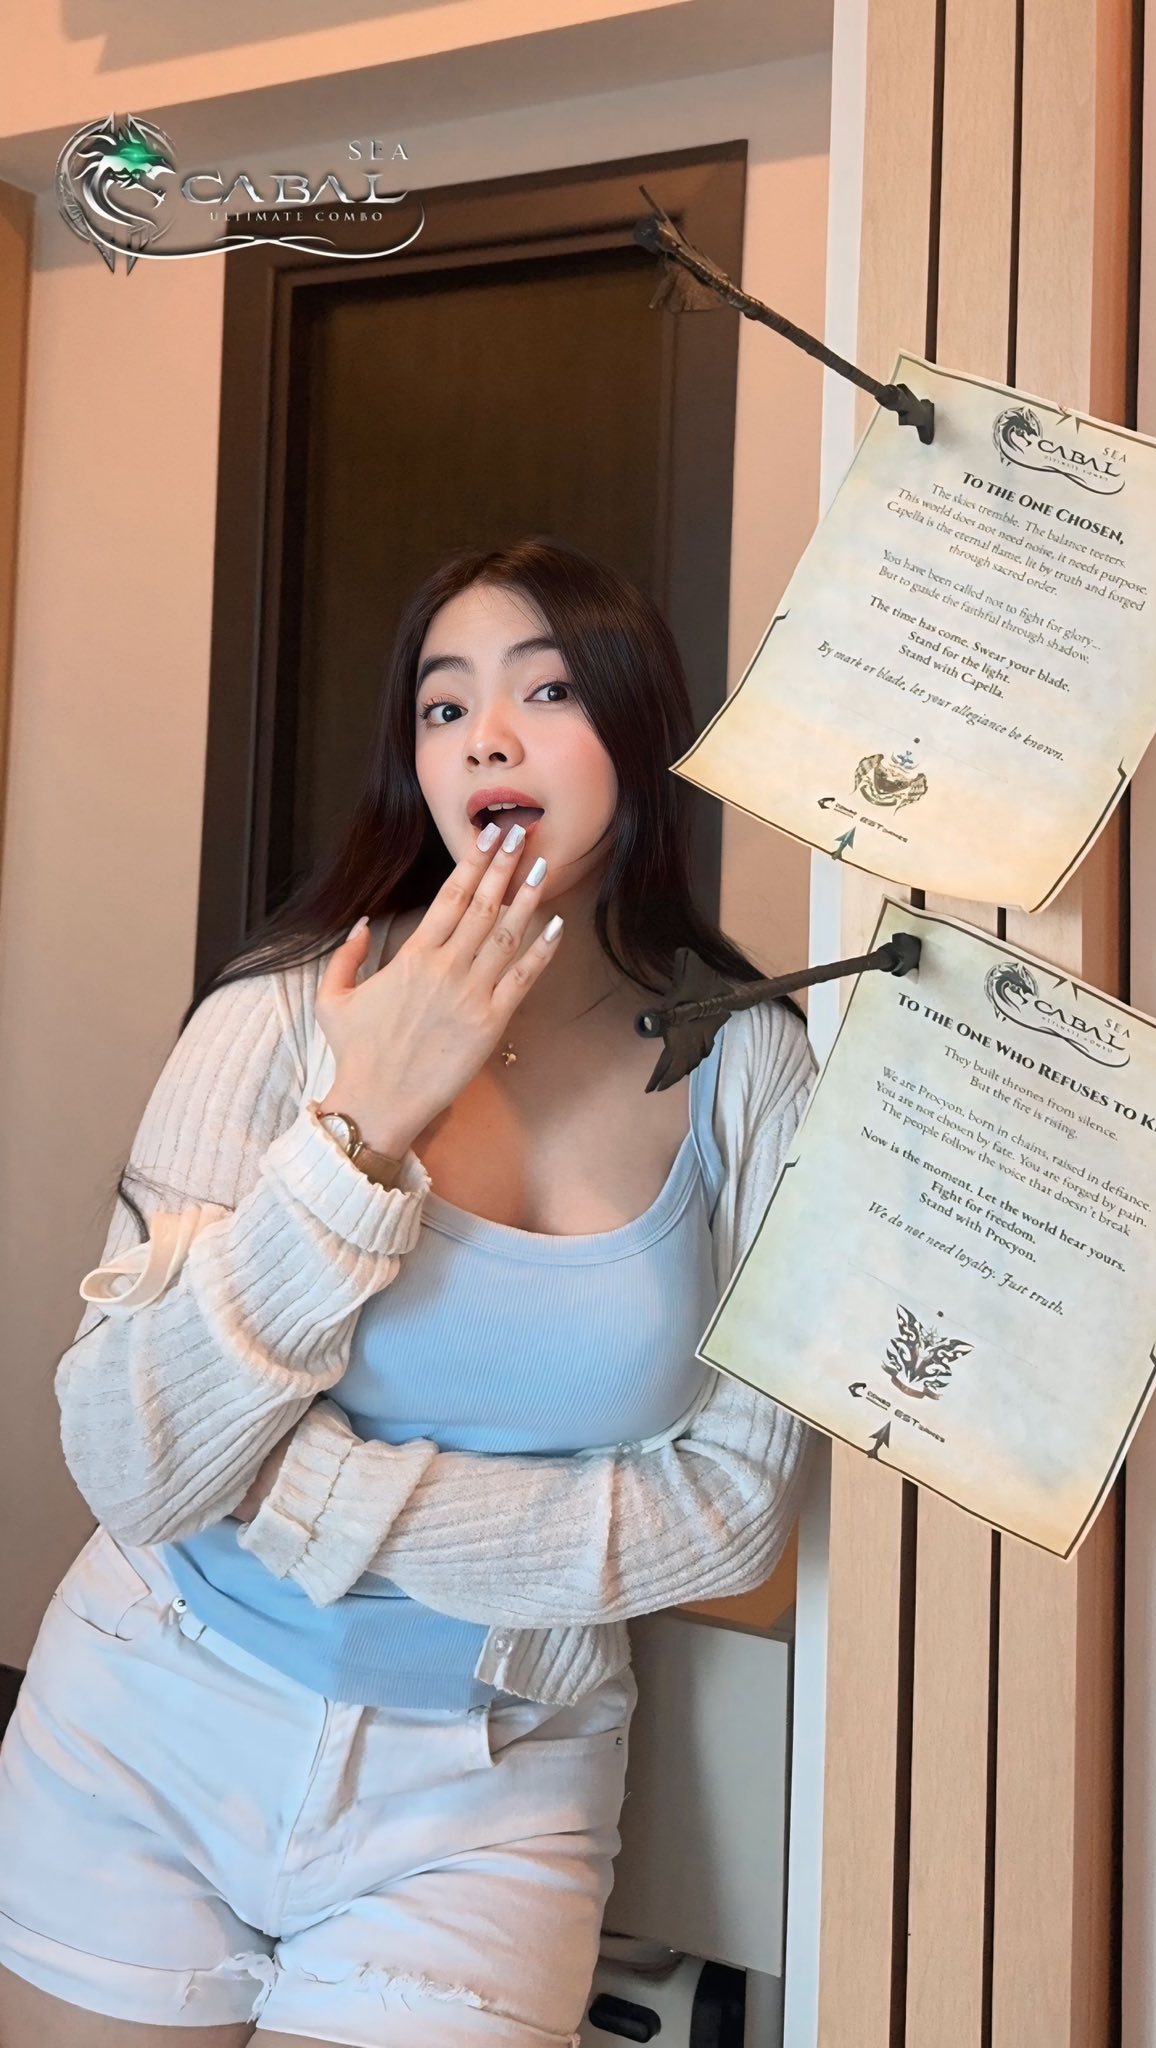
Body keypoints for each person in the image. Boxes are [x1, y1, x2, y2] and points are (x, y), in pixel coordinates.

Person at [0, 538, 821, 2047]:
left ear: (642, 730)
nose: (487, 738)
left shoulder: (753, 1061)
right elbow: (130, 1459)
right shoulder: (282, 1011)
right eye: (446, 708)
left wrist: (310, 1499)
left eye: (547, 691)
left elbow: (736, 1510)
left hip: (495, 1789)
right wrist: (360, 1126)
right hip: (144, 1718)